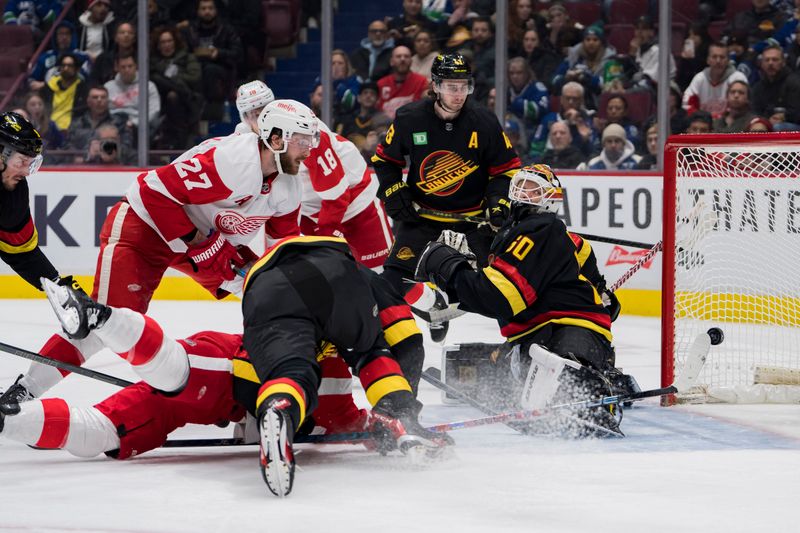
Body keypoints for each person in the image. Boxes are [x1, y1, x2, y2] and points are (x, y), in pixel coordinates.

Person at [0, 100, 317, 410]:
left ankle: (274, 380)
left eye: (310, 141)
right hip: (146, 225)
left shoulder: (289, 188)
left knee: (266, 290)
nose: (309, 150)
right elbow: (156, 195)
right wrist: (204, 244)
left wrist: (296, 291)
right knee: (103, 322)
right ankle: (24, 391)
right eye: (302, 141)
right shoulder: (232, 160)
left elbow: (284, 247)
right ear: (276, 139)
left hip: (202, 242)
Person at [0, 271, 428, 468]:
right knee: (176, 375)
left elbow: (359, 423)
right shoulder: (336, 377)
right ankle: (100, 319)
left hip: (208, 404)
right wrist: (392, 430)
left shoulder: (341, 387)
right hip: (225, 373)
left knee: (103, 434)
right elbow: (362, 420)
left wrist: (385, 430)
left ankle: (9, 422)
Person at [414, 164, 633, 436]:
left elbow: (501, 297)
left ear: (551, 197)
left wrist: (450, 267)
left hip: (570, 328)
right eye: (521, 185)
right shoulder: (520, 235)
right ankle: (605, 377)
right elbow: (494, 295)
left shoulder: (542, 228)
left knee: (570, 374)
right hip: (530, 338)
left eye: (533, 187)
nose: (524, 192)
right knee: (494, 380)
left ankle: (598, 391)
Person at [241, 235, 452, 496]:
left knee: (290, 370)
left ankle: (280, 407)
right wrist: (402, 407)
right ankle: (400, 418)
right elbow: (406, 341)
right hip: (339, 277)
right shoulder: (367, 276)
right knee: (372, 351)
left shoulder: (270, 266)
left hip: (268, 289)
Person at [371, 53, 521, 341]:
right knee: (390, 282)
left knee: (503, 285)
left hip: (474, 222)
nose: (458, 93)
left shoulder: (484, 121)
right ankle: (425, 313)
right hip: (422, 218)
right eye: (451, 86)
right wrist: (393, 189)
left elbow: (507, 170)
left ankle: (522, 344)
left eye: (463, 86)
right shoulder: (410, 118)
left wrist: (498, 202)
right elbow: (384, 161)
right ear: (436, 85)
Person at [235, 80, 394, 270]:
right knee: (326, 280)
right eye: (253, 115)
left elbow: (337, 197)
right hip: (310, 212)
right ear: (244, 118)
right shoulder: (243, 141)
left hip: (356, 203)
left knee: (383, 275)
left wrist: (324, 240)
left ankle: (428, 300)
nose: (259, 121)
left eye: (263, 111)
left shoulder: (303, 130)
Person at [0, 112, 64, 292]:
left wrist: (61, 288)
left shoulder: (15, 192)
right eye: (21, 161)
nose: (27, 172)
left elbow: (22, 253)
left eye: (30, 163)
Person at [682, 42, 748, 117]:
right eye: (714, 57)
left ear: (728, 60)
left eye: (722, 57)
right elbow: (686, 104)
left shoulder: (738, 78)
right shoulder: (699, 78)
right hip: (703, 125)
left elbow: (742, 106)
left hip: (729, 125)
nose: (718, 61)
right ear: (708, 60)